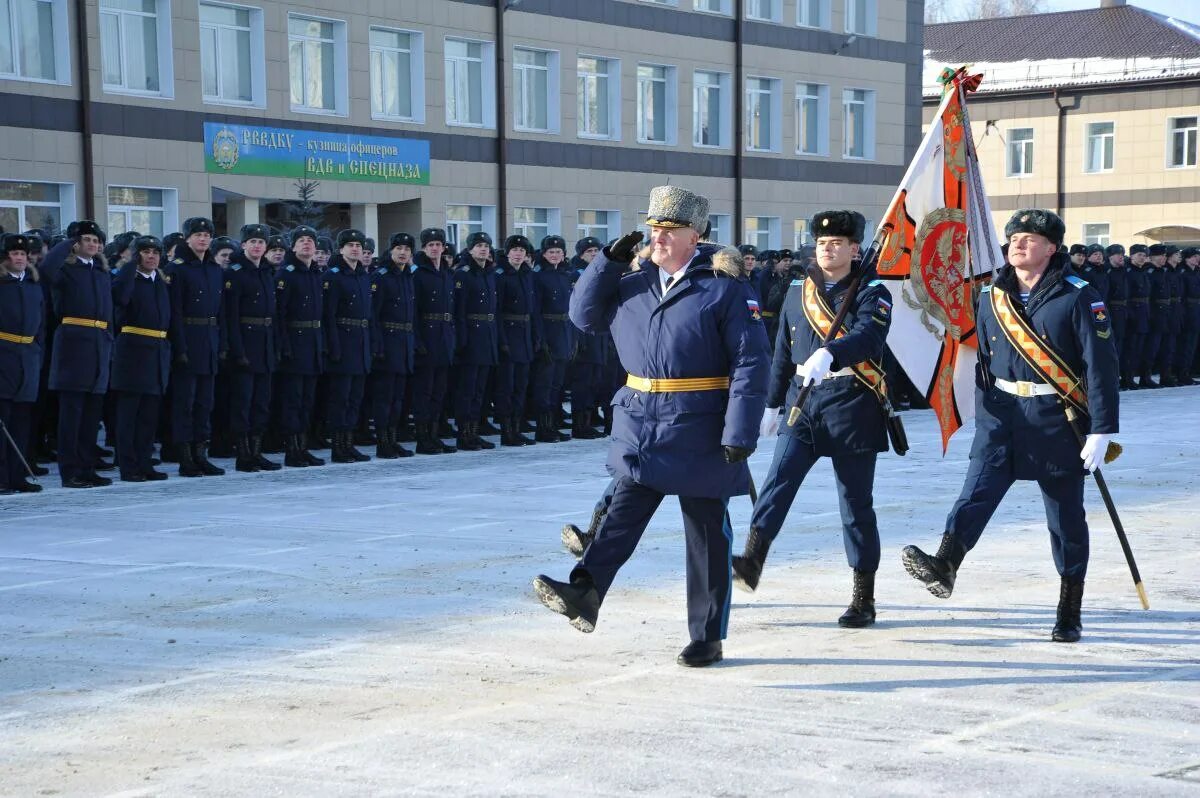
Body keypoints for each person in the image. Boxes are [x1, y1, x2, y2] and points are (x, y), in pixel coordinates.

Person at [533, 185, 770, 668]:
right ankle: (585, 593)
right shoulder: (631, 281)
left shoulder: (723, 286)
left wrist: (739, 431)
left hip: (699, 423)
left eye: (669, 229)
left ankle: (707, 636)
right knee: (619, 515)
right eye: (653, 227)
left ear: (695, 235)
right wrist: (606, 264)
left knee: (706, 533)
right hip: (641, 420)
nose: (657, 237)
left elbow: (751, 362)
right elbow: (582, 317)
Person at [901, 209, 1118, 643]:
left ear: (1052, 248)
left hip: (1057, 422)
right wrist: (984, 419)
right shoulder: (990, 297)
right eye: (1015, 237)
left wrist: (1102, 429)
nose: (1019, 243)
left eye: (1031, 238)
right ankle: (945, 563)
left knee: (1065, 519)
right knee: (975, 494)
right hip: (1001, 419)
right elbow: (983, 364)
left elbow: (1101, 367)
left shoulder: (1079, 296)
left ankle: (1069, 606)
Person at [731, 210, 893, 628]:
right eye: (822, 243)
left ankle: (863, 596)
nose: (828, 249)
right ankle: (752, 558)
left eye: (837, 243)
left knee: (855, 505)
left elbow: (869, 337)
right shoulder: (798, 289)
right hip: (803, 401)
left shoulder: (873, 291)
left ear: (855, 249)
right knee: (777, 481)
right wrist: (770, 403)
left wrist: (833, 353)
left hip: (852, 403)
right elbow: (783, 348)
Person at [45, 220, 114, 488]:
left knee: (91, 414)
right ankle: (70, 470)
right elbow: (46, 269)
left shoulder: (100, 271)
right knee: (72, 414)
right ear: (75, 244)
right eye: (86, 239)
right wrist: (66, 242)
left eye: (96, 241)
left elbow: (109, 313)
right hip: (74, 345)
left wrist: (110, 341)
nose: (93, 244)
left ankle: (87, 466)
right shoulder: (65, 269)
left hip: (99, 345)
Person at [166, 217, 226, 477]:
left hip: (209, 340)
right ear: (187, 238)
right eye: (198, 234)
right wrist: (179, 347)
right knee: (185, 403)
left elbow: (221, 310)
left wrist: (222, 344)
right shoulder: (177, 268)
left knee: (205, 403)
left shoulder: (214, 268)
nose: (203, 239)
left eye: (207, 235)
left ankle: (201, 454)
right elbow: (175, 312)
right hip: (189, 338)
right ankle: (185, 457)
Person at [110, 235, 171, 482]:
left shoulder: (160, 282)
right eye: (145, 252)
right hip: (133, 352)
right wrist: (128, 268)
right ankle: (128, 465)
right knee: (129, 415)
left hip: (157, 351)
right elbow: (120, 299)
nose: (152, 256)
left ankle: (145, 462)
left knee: (148, 415)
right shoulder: (128, 280)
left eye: (155, 252)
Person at [224, 223, 280, 472]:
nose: (257, 246)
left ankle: (256, 451)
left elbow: (273, 315)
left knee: (261, 402)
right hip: (246, 343)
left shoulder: (267, 272)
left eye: (261, 242)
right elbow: (230, 316)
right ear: (243, 245)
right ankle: (243, 453)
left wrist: (275, 346)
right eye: (253, 242)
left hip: (265, 344)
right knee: (242, 402)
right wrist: (237, 351)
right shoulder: (235, 273)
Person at [275, 225, 326, 468]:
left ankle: (302, 446)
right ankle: (292, 449)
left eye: (310, 241)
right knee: (293, 400)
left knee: (307, 400)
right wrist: (284, 345)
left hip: (313, 343)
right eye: (302, 240)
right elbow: (280, 315)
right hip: (295, 343)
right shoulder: (286, 274)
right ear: (293, 246)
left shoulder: (315, 273)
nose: (307, 244)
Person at [322, 229, 373, 463]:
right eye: (350, 245)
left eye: (358, 245)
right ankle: (338, 446)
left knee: (355, 398)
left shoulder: (363, 276)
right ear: (340, 249)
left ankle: (348, 443)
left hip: (361, 343)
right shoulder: (333, 276)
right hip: (343, 341)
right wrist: (333, 346)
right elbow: (329, 315)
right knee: (340, 398)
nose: (355, 249)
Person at [0, 233, 45, 494]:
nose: (19, 258)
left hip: (27, 355)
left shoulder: (33, 285)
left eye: (23, 254)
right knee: (3, 420)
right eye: (14, 254)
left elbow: (42, 325)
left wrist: (38, 351)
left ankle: (17, 475)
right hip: (4, 354)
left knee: (21, 421)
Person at [369, 232, 417, 459]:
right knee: (384, 397)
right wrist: (377, 345)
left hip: (404, 342)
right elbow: (374, 316)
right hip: (387, 343)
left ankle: (393, 438)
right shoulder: (381, 276)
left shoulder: (407, 276)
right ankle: (383, 442)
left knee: (398, 398)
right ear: (391, 251)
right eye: (399, 248)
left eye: (407, 249)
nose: (403, 252)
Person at [411, 227, 458, 455]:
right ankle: (422, 437)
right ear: (424, 248)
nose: (435, 248)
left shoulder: (447, 273)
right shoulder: (418, 273)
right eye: (430, 245)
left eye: (438, 244)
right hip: (427, 336)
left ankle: (434, 434)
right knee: (424, 391)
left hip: (444, 336)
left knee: (439, 391)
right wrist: (418, 340)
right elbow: (414, 311)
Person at [452, 231, 499, 451]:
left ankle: (474, 431)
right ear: (470, 249)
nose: (483, 249)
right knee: (467, 389)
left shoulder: (489, 273)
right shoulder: (463, 273)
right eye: (478, 246)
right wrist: (461, 340)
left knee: (480, 390)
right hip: (471, 336)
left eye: (486, 246)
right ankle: (464, 434)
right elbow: (459, 311)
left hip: (487, 337)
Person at [494, 234, 539, 447]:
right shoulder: (501, 276)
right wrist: (502, 340)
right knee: (506, 387)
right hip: (509, 335)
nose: (519, 254)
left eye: (522, 251)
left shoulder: (528, 275)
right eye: (515, 250)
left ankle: (517, 427)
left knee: (521, 386)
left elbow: (534, 310)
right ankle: (507, 430)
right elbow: (498, 311)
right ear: (507, 252)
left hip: (525, 336)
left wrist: (536, 337)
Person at [530, 235, 575, 443]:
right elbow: (536, 311)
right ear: (544, 254)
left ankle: (553, 424)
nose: (555, 255)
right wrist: (541, 339)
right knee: (544, 384)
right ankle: (543, 427)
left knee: (558, 383)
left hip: (564, 331)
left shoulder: (567, 275)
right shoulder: (538, 277)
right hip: (548, 331)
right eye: (550, 252)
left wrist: (573, 338)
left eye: (558, 252)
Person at [1179, 247, 1200, 386]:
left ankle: (1190, 369)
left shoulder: (1196, 272)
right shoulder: (1183, 273)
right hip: (1187, 310)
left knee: (1193, 343)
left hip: (1196, 309)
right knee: (1185, 343)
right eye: (1194, 256)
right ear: (1186, 258)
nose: (1197, 259)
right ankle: (1182, 372)